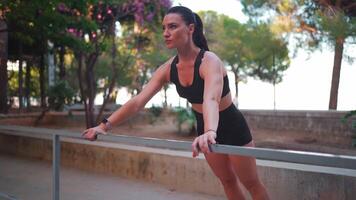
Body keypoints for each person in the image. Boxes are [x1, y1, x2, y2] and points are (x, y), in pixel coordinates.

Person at [82, 6, 270, 200]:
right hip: (204, 127)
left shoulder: (209, 61)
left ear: (190, 29)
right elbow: (138, 101)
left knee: (252, 183)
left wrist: (210, 132)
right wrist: (104, 126)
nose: (166, 33)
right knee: (228, 181)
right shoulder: (168, 68)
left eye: (172, 27)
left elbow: (211, 99)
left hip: (230, 125)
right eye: (164, 28)